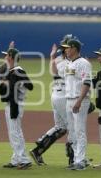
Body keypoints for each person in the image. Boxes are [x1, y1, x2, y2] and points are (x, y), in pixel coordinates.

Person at [30, 35, 74, 166]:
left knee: (61, 127)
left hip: (57, 95)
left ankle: (38, 151)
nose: (72, 49)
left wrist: (51, 57)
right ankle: (73, 159)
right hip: (63, 97)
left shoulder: (58, 60)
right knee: (72, 127)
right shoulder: (66, 62)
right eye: (70, 46)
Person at [0, 48, 33, 170]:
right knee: (15, 132)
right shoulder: (13, 71)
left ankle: (23, 160)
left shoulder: (17, 71)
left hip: (15, 104)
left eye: (6, 55)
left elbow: (29, 85)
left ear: (11, 57)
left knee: (14, 132)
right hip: (13, 103)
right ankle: (17, 159)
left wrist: (10, 83)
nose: (5, 57)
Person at [61, 39, 92, 170]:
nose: (65, 50)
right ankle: (76, 159)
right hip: (68, 100)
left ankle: (80, 161)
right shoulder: (68, 64)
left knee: (79, 130)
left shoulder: (83, 63)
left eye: (67, 48)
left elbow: (87, 82)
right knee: (72, 132)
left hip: (79, 100)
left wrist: (79, 101)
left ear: (74, 48)